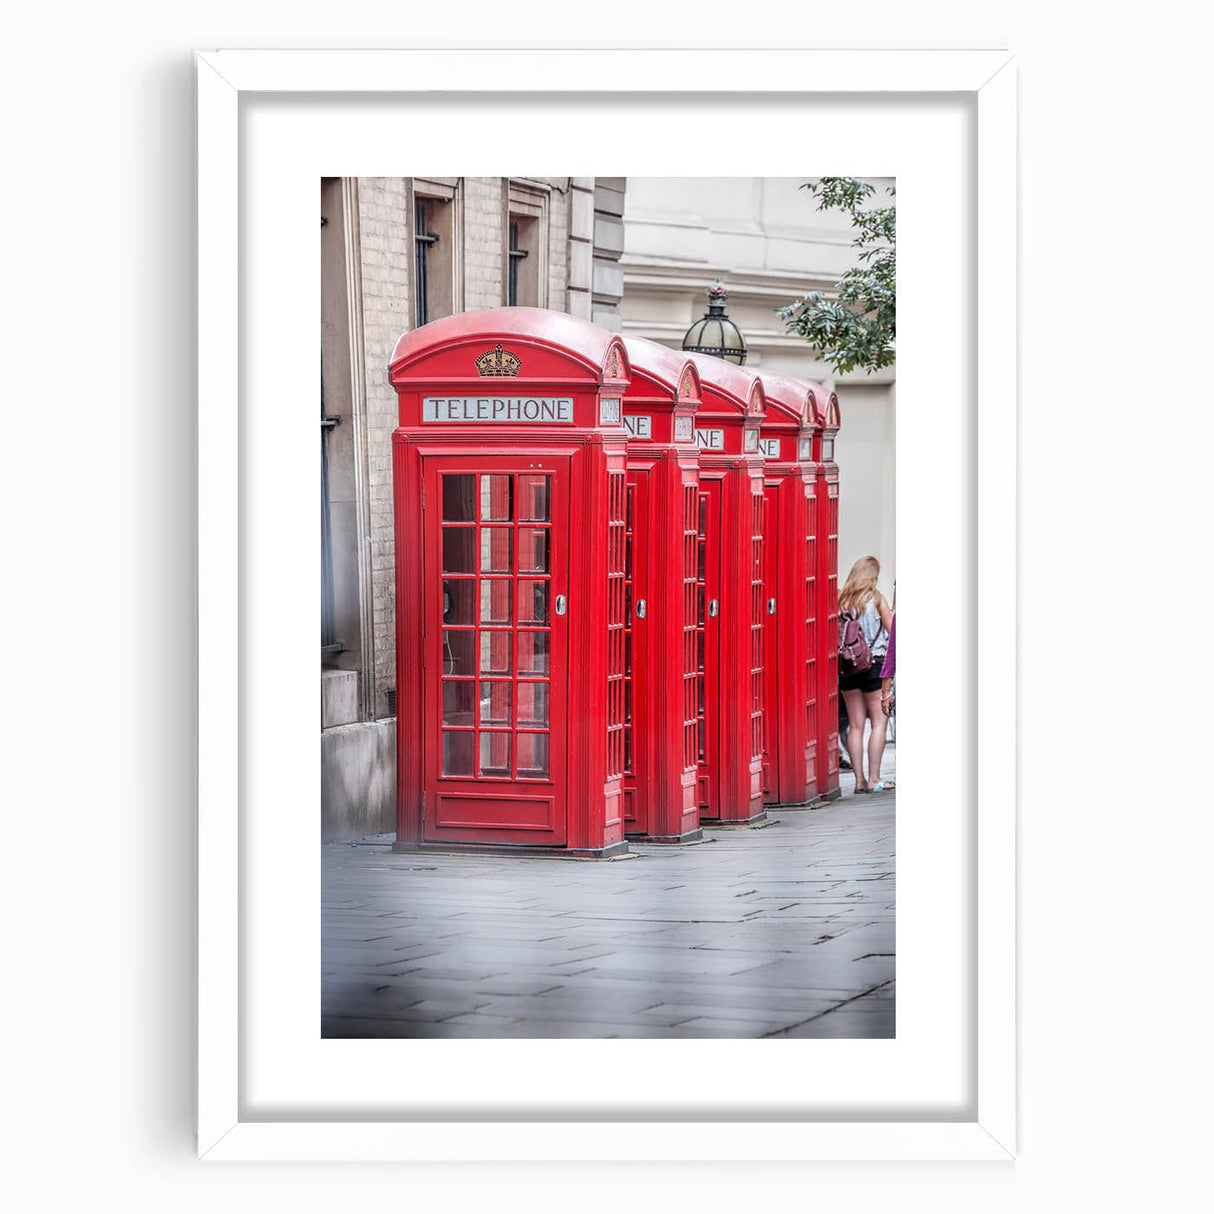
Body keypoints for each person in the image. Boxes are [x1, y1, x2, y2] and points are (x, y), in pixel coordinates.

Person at [838, 556, 894, 794]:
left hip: (848, 667)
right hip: (874, 665)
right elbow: (894, 632)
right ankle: (874, 779)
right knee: (879, 722)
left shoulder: (841, 601)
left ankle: (859, 781)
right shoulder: (877, 599)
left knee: (855, 725)